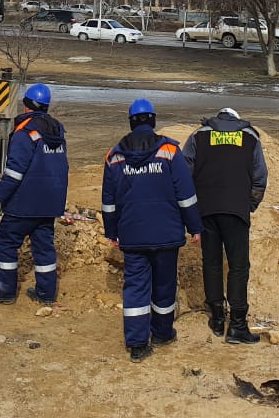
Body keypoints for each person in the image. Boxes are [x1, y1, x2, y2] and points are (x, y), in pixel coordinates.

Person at [102, 98, 202, 362]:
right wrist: (194, 226)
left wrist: (111, 232)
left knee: (135, 286)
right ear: (153, 121)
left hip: (132, 235)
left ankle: (137, 344)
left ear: (131, 122)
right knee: (164, 285)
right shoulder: (169, 150)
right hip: (166, 234)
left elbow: (108, 201)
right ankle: (162, 333)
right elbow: (186, 195)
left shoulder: (114, 156)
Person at [183, 106, 268, 344]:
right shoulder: (250, 136)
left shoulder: (199, 135)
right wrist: (248, 205)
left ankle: (217, 318)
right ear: (236, 119)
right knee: (239, 266)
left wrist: (192, 207)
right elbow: (260, 176)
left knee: (211, 263)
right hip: (236, 212)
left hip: (206, 211)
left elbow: (183, 171)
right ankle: (238, 326)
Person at [0, 83, 69, 305]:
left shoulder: (25, 132)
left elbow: (14, 171)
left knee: (6, 239)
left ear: (27, 104)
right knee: (43, 245)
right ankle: (46, 293)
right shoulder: (57, 131)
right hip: (50, 203)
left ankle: (5, 290)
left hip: (25, 202)